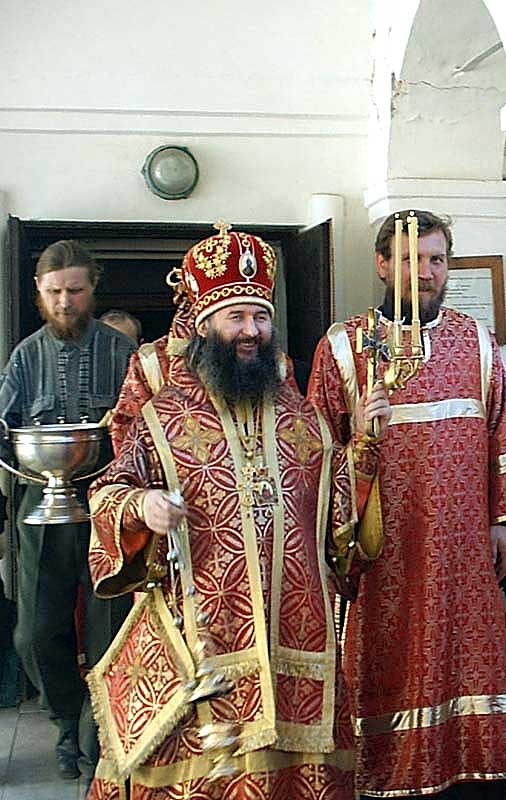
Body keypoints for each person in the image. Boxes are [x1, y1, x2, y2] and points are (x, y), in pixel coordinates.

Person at [86, 224, 390, 800]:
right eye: (236, 318)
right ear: (204, 327)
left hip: (294, 628)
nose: (252, 331)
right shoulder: (163, 418)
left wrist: (365, 444)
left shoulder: (302, 418)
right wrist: (141, 505)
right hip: (201, 634)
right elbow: (108, 490)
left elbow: (336, 519)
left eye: (261, 317)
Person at [308, 209, 506, 799]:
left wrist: (501, 520)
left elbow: (502, 435)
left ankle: (471, 771)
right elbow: (312, 453)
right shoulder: (343, 347)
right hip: (381, 551)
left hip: (464, 550)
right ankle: (384, 778)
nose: (425, 272)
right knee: (384, 663)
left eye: (436, 259)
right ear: (381, 264)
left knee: (468, 658)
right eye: (410, 259)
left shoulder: (477, 342)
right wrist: (356, 438)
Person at [0, 240, 135, 782]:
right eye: (54, 292)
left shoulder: (122, 352)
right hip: (40, 500)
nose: (64, 302)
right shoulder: (25, 356)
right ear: (38, 291)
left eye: (75, 291)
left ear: (92, 288)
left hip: (109, 499)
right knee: (34, 631)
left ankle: (96, 730)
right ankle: (63, 717)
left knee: (111, 625)